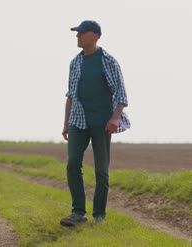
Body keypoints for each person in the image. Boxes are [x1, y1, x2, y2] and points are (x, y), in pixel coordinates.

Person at [60, 20, 130, 226]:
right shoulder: (75, 62)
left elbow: (121, 93)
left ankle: (99, 215)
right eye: (77, 33)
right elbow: (71, 95)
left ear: (94, 36)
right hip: (77, 121)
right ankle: (78, 213)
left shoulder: (108, 60)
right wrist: (66, 123)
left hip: (102, 122)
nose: (77, 36)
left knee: (101, 170)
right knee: (73, 163)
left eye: (81, 33)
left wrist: (115, 117)